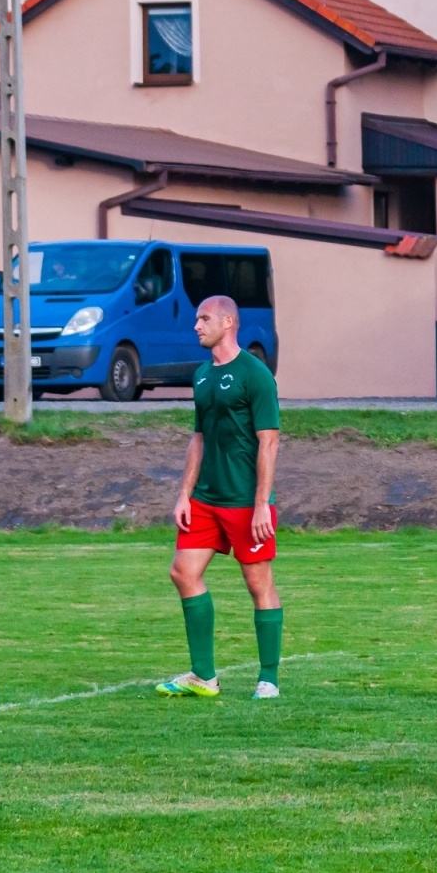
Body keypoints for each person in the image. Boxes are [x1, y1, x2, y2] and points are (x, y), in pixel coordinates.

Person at [157, 295, 284, 700]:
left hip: (246, 501)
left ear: (229, 322)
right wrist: (184, 495)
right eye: (197, 319)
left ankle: (269, 678)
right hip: (206, 500)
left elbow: (269, 442)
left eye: (204, 318)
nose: (197, 325)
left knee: (257, 582)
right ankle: (204, 676)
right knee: (183, 573)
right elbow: (199, 438)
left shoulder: (256, 374)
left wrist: (262, 503)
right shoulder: (201, 375)